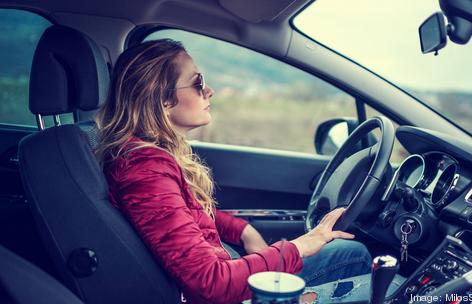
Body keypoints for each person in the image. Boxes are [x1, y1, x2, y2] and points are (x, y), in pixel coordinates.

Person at [95, 39, 403, 304]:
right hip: (223, 291)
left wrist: (243, 230)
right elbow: (210, 281)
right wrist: (301, 245)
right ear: (163, 100)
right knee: (352, 254)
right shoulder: (145, 170)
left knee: (345, 250)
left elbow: (181, 217)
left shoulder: (148, 159)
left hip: (225, 271)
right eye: (198, 82)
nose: (210, 90)